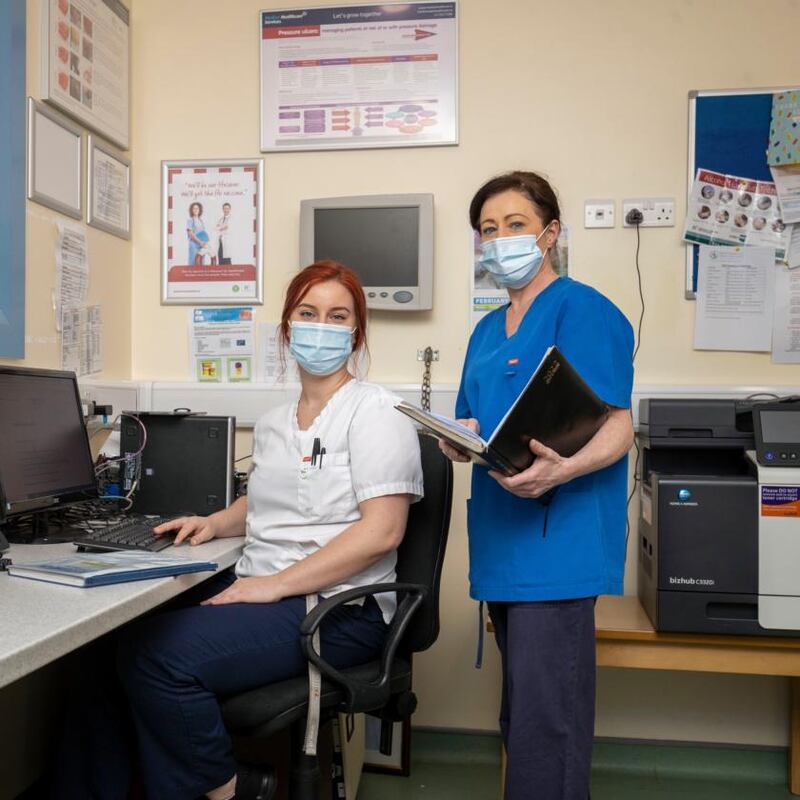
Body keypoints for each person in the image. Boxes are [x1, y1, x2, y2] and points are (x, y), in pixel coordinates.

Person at [53, 261, 423, 800]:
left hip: (339, 608)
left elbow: (383, 533)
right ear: (287, 327)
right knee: (97, 651)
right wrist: (214, 522)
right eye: (308, 312)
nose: (321, 325)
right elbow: (269, 499)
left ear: (356, 333)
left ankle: (232, 788)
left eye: (337, 315)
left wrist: (274, 585)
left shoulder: (377, 412)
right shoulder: (277, 420)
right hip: (269, 584)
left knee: (156, 658)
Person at [439, 171, 634, 800]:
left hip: (560, 543)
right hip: (504, 541)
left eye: (514, 225)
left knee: (548, 724)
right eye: (488, 230)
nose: (499, 240)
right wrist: (457, 438)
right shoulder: (483, 332)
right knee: (520, 718)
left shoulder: (584, 310)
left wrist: (566, 468)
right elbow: (476, 419)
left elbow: (618, 425)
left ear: (549, 234)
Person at [187, 201, 207, 265]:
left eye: (197, 208)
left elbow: (203, 233)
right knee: (193, 262)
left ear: (199, 210)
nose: (195, 210)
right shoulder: (190, 220)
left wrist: (204, 243)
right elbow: (190, 234)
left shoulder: (201, 220)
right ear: (191, 210)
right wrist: (199, 242)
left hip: (202, 245)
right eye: (194, 208)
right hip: (194, 244)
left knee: (201, 263)